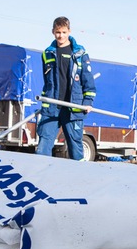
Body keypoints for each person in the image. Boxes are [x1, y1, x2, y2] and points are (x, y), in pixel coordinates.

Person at [36, 16, 96, 160]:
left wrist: (87, 102)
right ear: (53, 32)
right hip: (51, 108)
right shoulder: (47, 53)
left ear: (69, 31)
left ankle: (80, 178)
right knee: (43, 146)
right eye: (57, 32)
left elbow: (88, 80)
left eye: (63, 32)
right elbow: (47, 81)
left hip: (73, 107)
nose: (60, 35)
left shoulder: (80, 54)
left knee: (75, 148)